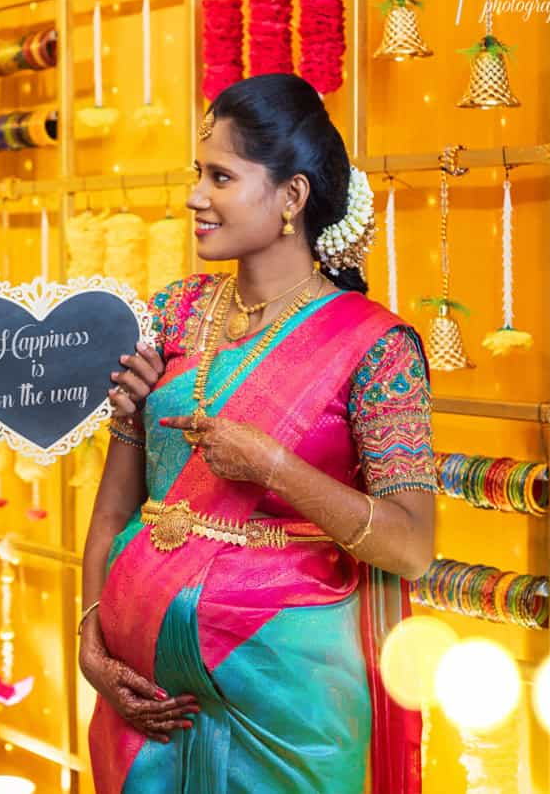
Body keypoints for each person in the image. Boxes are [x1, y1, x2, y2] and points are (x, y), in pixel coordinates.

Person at [80, 73, 437, 794]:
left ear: (292, 197)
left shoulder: (376, 347)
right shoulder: (171, 316)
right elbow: (117, 507)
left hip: (290, 705)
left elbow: (412, 545)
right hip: (146, 706)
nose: (194, 196)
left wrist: (273, 465)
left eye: (220, 176)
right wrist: (90, 638)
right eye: (196, 173)